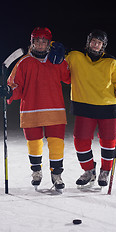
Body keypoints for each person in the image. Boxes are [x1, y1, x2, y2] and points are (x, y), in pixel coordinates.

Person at [3, 27, 70, 190]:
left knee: (56, 144)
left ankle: (56, 174)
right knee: (34, 144)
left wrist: (63, 60)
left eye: (44, 41)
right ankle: (36, 171)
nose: (40, 44)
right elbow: (15, 87)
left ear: (49, 44)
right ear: (31, 43)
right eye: (37, 41)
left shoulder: (56, 60)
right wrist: (9, 91)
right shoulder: (23, 62)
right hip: (30, 111)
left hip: (55, 111)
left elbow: (68, 78)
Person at [64, 29, 116, 187]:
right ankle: (89, 170)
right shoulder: (75, 56)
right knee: (80, 142)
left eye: (99, 43)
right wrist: (54, 47)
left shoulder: (111, 62)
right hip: (84, 107)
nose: (96, 45)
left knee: (108, 142)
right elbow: (59, 66)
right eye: (93, 41)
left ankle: (105, 171)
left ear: (103, 45)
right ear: (88, 42)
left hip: (109, 107)